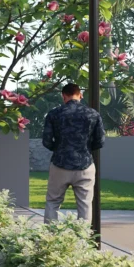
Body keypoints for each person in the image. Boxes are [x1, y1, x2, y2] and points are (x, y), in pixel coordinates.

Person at [42, 82, 104, 226]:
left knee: (53, 201)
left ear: (63, 96)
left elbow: (46, 141)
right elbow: (100, 141)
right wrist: (86, 149)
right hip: (85, 165)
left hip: (60, 164)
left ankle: (50, 239)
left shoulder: (54, 114)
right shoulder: (93, 114)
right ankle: (82, 240)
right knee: (85, 205)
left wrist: (59, 149)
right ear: (80, 95)